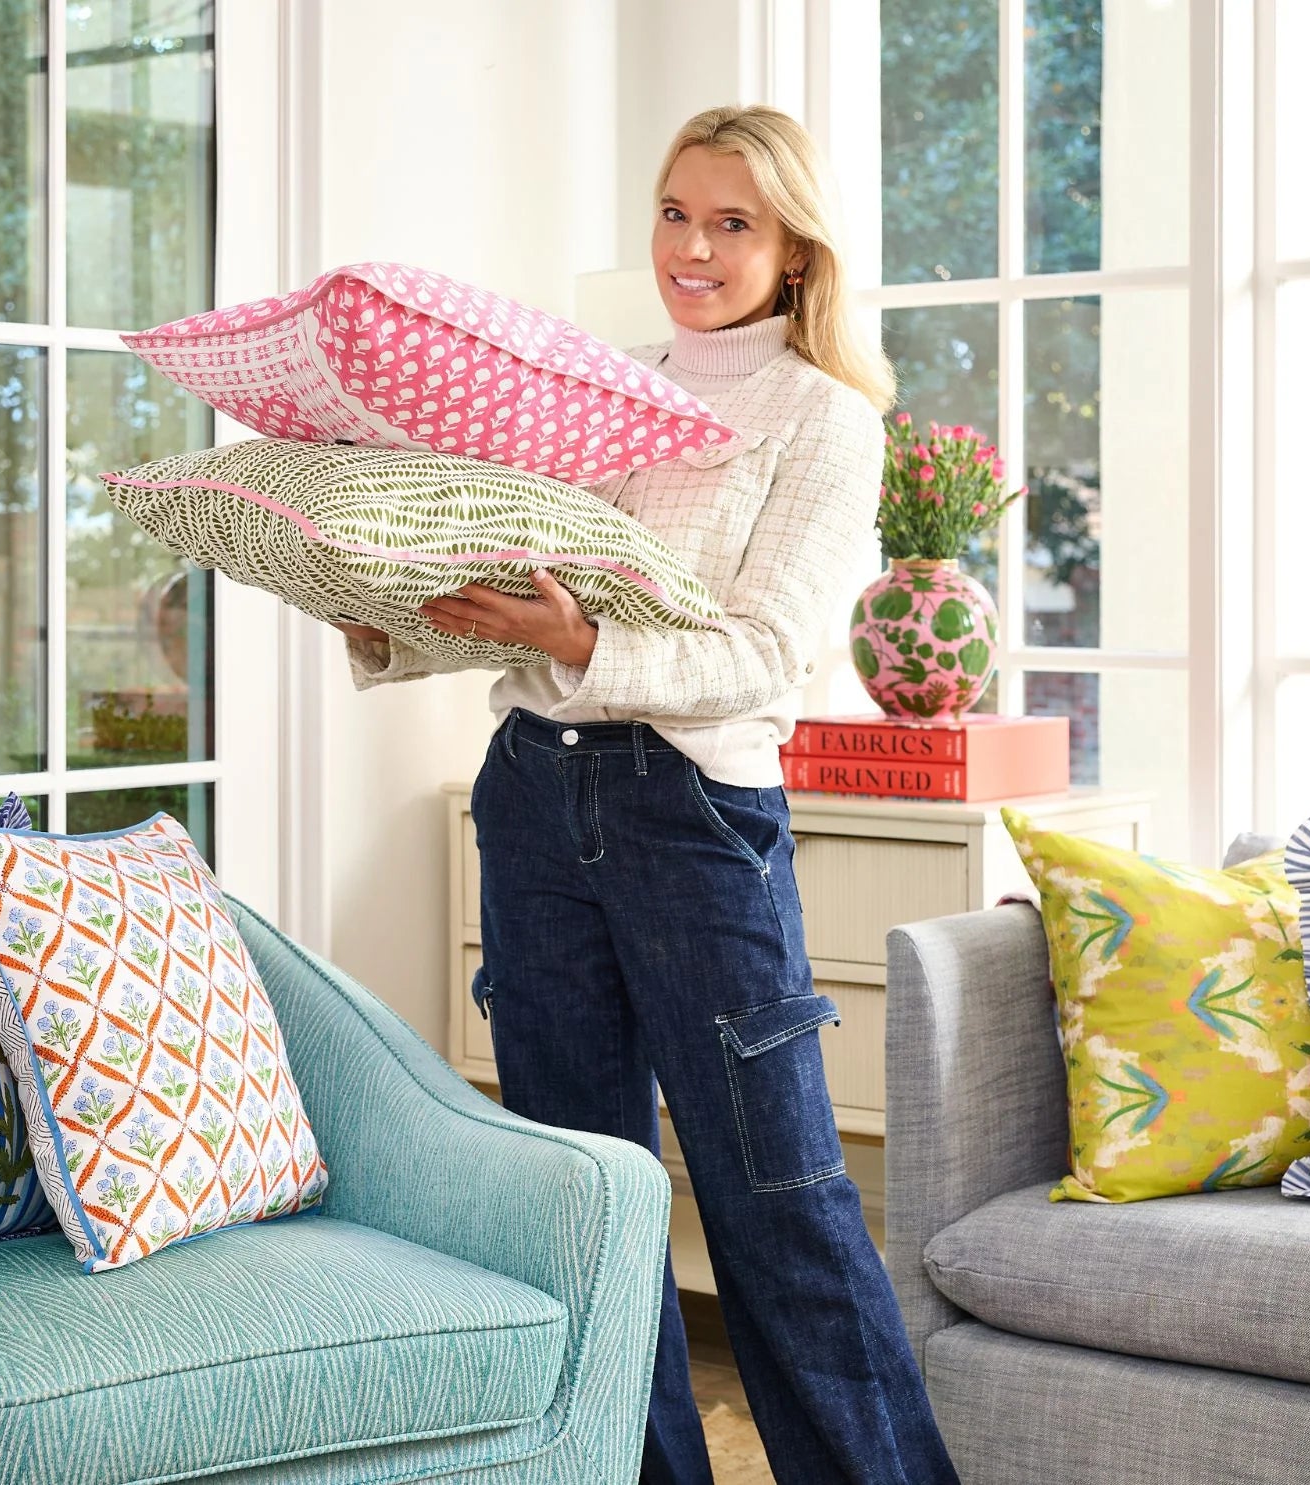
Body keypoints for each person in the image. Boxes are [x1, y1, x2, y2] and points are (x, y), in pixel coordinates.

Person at [337, 104, 961, 1485]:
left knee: (776, 1200)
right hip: (532, 795)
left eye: (731, 222)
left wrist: (571, 641)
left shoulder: (824, 417)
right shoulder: (597, 390)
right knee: (588, 1203)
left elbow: (755, 652)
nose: (692, 246)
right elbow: (531, 609)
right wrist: (387, 611)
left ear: (794, 252)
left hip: (690, 815)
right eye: (675, 214)